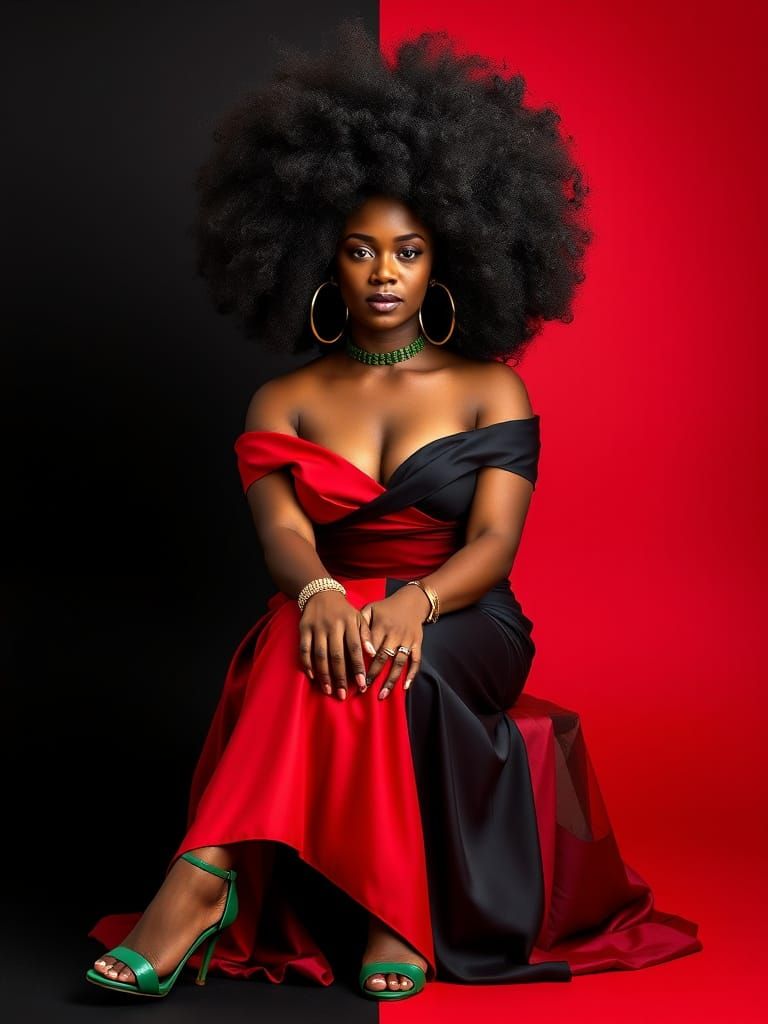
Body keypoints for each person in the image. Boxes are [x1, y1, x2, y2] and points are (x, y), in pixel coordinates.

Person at [86, 20, 702, 1002]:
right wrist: (322, 590)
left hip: (465, 614)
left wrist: (415, 601)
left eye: (407, 252)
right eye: (360, 251)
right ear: (317, 261)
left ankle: (229, 888)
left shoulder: (490, 389)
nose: (382, 273)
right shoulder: (283, 401)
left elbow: (493, 544)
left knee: (376, 652)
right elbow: (284, 534)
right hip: (329, 600)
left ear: (444, 259)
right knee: (304, 638)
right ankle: (312, 900)